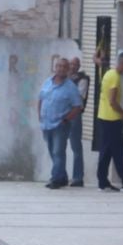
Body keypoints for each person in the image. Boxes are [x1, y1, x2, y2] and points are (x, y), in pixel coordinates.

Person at [38, 57, 82, 189]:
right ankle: (62, 177)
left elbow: (77, 107)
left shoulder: (71, 87)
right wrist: (39, 115)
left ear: (67, 69)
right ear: (55, 68)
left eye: (64, 67)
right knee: (52, 150)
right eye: (59, 66)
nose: (61, 69)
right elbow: (41, 99)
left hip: (60, 125)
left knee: (58, 151)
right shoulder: (47, 82)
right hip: (46, 124)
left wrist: (66, 119)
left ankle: (56, 178)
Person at [95, 51, 123, 192]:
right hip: (112, 119)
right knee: (119, 152)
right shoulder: (115, 77)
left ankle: (103, 182)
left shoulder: (109, 74)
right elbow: (112, 101)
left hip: (104, 117)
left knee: (107, 151)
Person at [65, 54, 89, 188]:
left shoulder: (82, 79)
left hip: (74, 115)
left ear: (79, 66)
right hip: (62, 114)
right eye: (71, 64)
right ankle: (60, 175)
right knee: (59, 146)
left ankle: (78, 177)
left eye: (75, 64)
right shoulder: (64, 79)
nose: (73, 67)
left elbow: (78, 97)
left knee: (76, 147)